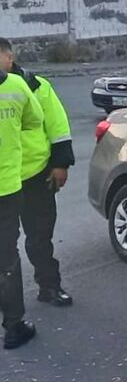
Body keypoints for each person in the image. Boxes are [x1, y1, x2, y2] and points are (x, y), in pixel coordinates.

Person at [0, 39, 75, 307]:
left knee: (40, 238)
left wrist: (60, 164)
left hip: (35, 175)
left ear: (10, 57)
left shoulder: (37, 86)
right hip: (3, 183)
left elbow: (58, 126)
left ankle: (49, 286)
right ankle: (9, 300)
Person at [0, 68, 43, 349]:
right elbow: (34, 120)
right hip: (6, 188)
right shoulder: (15, 84)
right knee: (6, 258)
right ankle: (14, 327)